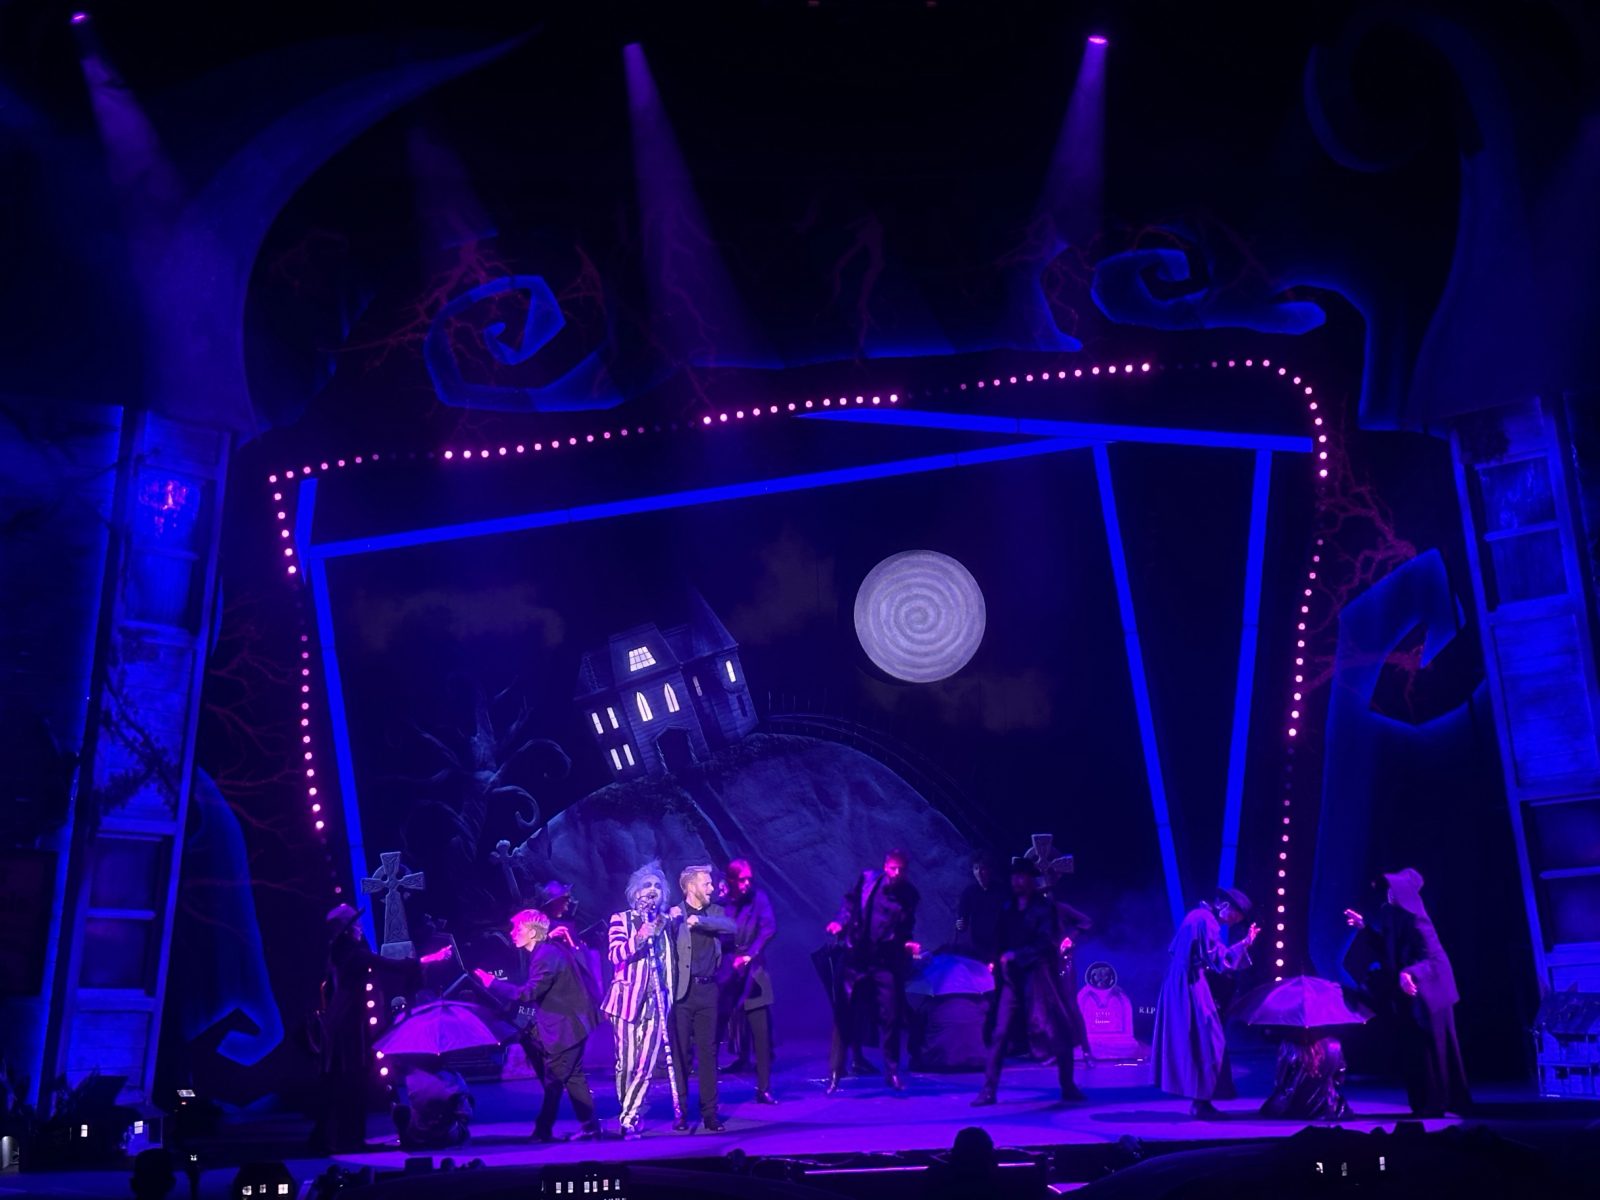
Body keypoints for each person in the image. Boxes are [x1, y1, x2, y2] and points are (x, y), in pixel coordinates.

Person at [1344, 868, 1470, 1116]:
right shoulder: (1390, 914)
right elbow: (1388, 950)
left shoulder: (1418, 920)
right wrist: (1364, 928)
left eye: (1393, 889)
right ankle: (1424, 1102)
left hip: (1433, 990)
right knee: (1414, 1048)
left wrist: (1410, 972)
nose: (1389, 894)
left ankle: (1442, 1101)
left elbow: (1433, 958)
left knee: (1436, 1047)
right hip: (1408, 990)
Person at [475, 908, 601, 1142]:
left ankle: (543, 1131)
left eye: (518, 929)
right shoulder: (546, 951)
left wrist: (493, 984)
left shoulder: (546, 955)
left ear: (532, 933)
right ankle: (589, 1128)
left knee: (554, 1081)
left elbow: (529, 993)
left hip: (567, 1026)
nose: (513, 933)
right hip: (572, 1024)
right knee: (572, 1077)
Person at [972, 858, 1088, 1105]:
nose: (1017, 881)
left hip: (1039, 978)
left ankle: (1068, 1085)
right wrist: (996, 960)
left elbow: (1046, 942)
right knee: (1000, 1032)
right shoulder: (1007, 908)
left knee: (1058, 1028)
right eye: (1014, 876)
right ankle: (989, 1089)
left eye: (1022, 876)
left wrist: (1018, 954)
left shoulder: (1044, 909)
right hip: (1012, 980)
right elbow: (999, 939)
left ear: (1030, 880)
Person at [311, 904, 421, 1152]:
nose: (360, 928)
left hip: (343, 1023)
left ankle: (339, 1137)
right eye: (356, 924)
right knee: (353, 1081)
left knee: (346, 1081)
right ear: (348, 928)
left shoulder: (340, 952)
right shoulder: (354, 954)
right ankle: (350, 1139)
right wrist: (422, 961)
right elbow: (391, 965)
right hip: (350, 1025)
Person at [1151, 887, 1259, 1118]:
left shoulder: (1196, 916)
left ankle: (1200, 1101)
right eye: (1236, 915)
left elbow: (1175, 950)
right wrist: (1245, 944)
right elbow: (1222, 960)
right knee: (1208, 1040)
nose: (1234, 921)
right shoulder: (1206, 920)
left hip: (1180, 980)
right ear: (1226, 906)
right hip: (1189, 983)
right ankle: (1201, 1103)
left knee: (1199, 1039)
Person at [825, 848, 921, 1093]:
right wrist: (840, 923)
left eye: (901, 870)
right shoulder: (868, 879)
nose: (896, 873)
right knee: (844, 1014)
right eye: (893, 868)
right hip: (856, 957)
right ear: (885, 866)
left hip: (884, 960)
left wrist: (908, 944)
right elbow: (849, 904)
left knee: (891, 1014)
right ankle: (835, 1072)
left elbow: (906, 928)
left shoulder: (909, 895)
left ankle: (892, 1071)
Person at [603, 862, 677, 1136]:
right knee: (627, 1064)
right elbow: (615, 955)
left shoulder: (666, 923)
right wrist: (640, 936)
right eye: (647, 885)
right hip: (626, 1002)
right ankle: (631, 1109)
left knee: (646, 1064)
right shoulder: (620, 919)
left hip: (657, 1002)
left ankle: (628, 1117)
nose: (652, 890)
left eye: (657, 886)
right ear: (635, 893)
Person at [667, 863, 738, 1131]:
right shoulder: (675, 913)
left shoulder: (714, 912)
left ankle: (710, 1113)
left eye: (710, 884)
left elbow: (731, 926)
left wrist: (701, 922)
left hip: (708, 991)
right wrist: (671, 921)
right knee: (681, 1055)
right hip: (683, 994)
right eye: (706, 883)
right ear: (690, 886)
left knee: (708, 1053)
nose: (711, 888)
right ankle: (681, 1112)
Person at [719, 859, 779, 1103]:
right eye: (741, 880)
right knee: (717, 1027)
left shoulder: (759, 899)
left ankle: (764, 1088)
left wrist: (750, 954)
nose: (746, 884)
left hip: (754, 971)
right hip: (727, 972)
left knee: (761, 1032)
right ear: (731, 880)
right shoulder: (722, 902)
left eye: (748, 880)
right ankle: (709, 1092)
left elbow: (768, 928)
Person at [535, 880, 584, 949]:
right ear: (555, 902)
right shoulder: (542, 922)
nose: (569, 900)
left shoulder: (568, 921)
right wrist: (550, 936)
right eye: (565, 898)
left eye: (569, 897)